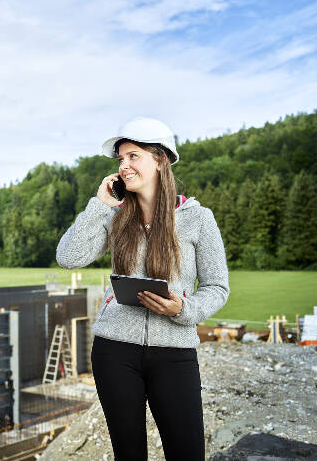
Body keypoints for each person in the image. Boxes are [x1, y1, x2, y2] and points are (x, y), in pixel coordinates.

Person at [56, 116, 230, 461]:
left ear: (160, 159)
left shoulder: (198, 218)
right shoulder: (115, 215)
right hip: (114, 351)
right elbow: (68, 257)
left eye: (133, 156)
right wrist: (99, 204)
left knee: (187, 453)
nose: (124, 166)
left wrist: (183, 309)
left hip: (175, 352)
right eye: (120, 159)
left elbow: (216, 287)